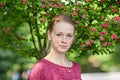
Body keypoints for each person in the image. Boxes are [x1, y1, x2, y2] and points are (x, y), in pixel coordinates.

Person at [28, 13, 82, 80]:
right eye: (59, 34)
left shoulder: (76, 68)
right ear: (49, 35)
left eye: (69, 35)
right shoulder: (41, 68)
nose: (64, 40)